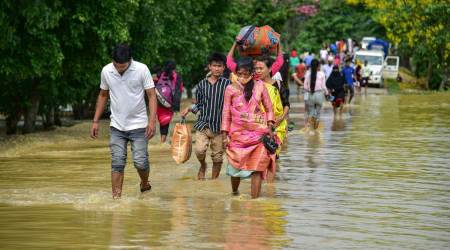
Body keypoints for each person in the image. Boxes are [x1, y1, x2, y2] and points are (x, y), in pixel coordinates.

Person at [90, 44, 156, 199]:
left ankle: (144, 182)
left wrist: (152, 122)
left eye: (123, 66)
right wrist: (95, 121)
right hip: (117, 126)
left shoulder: (142, 69)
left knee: (140, 162)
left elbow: (151, 96)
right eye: (116, 65)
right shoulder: (106, 71)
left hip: (139, 125)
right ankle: (116, 199)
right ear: (112, 61)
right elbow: (103, 95)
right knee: (117, 162)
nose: (119, 69)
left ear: (130, 60)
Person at [221, 58, 276, 199]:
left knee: (257, 168)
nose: (242, 77)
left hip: (259, 134)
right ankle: (234, 193)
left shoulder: (260, 86)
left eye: (246, 74)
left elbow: (269, 108)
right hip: (237, 135)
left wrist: (270, 125)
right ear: (236, 73)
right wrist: (224, 135)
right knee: (235, 167)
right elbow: (226, 113)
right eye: (240, 74)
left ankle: (254, 201)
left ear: (252, 73)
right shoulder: (230, 89)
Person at [181, 52, 230, 180]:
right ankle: (203, 165)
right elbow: (200, 104)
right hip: (203, 124)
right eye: (214, 65)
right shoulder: (202, 84)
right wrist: (189, 109)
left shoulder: (228, 85)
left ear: (224, 67)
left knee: (218, 157)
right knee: (199, 150)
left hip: (220, 128)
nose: (217, 68)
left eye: (220, 66)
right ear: (209, 67)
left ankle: (214, 182)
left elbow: (232, 106)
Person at [254, 55, 290, 182]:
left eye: (260, 68)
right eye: (256, 68)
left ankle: (270, 187)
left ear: (269, 69)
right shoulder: (253, 86)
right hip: (259, 125)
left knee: (272, 156)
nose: (257, 71)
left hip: (277, 127)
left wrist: (281, 118)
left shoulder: (278, 85)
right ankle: (261, 185)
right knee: (260, 157)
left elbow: (286, 104)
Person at [156, 61, 183, 143]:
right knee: (168, 120)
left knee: (162, 120)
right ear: (174, 67)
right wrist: (176, 107)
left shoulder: (159, 74)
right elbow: (178, 91)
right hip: (170, 102)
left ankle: (162, 140)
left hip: (160, 101)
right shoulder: (177, 76)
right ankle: (169, 140)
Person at [304, 59, 329, 130]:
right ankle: (315, 131)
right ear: (318, 66)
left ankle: (307, 129)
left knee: (311, 113)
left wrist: (306, 98)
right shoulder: (322, 74)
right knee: (318, 114)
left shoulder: (308, 73)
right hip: (319, 95)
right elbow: (324, 86)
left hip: (310, 94)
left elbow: (305, 86)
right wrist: (327, 93)